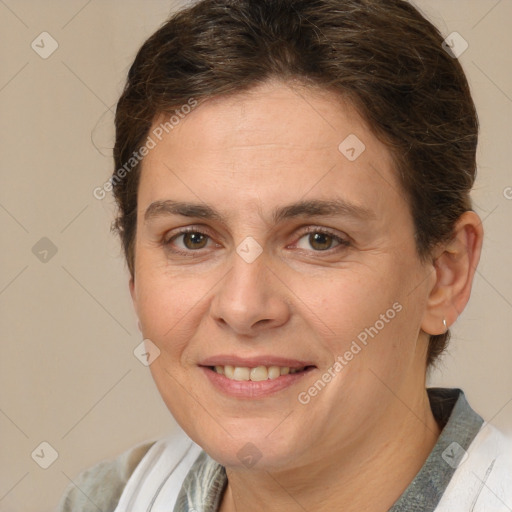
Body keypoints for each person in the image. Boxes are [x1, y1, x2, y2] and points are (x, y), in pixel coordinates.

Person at [56, 0, 512, 510]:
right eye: (193, 239)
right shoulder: (107, 500)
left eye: (320, 239)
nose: (244, 307)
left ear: (444, 274)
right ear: (134, 273)